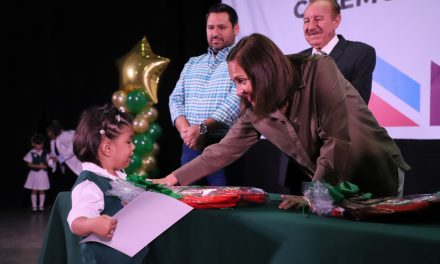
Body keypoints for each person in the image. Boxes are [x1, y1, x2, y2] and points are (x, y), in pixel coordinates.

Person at [152, 33, 410, 210]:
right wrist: (173, 178)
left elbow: (336, 139)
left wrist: (311, 196)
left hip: (374, 172)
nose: (238, 91)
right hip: (330, 188)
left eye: (241, 81)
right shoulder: (254, 107)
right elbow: (221, 151)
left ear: (263, 72)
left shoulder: (319, 69)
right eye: (235, 83)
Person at [168, 3, 241, 186]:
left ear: (236, 29)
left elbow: (235, 102)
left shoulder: (242, 60)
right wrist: (187, 132)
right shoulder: (193, 63)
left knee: (224, 205)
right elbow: (175, 99)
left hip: (222, 145)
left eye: (221, 27)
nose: (215, 33)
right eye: (211, 27)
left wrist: (200, 129)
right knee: (187, 203)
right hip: (190, 145)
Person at [67, 104, 149, 263]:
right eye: (128, 141)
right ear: (107, 148)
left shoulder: (117, 176)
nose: (133, 146)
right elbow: (76, 221)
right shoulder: (91, 184)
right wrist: (92, 223)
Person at [301, 0, 375, 104]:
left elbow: (356, 106)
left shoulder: (360, 53)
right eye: (306, 21)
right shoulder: (295, 61)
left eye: (318, 19)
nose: (311, 27)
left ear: (336, 21)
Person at [46, 120, 82, 191]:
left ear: (54, 130)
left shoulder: (65, 135)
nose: (48, 134)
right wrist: (50, 159)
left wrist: (58, 158)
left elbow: (73, 149)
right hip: (65, 168)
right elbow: (53, 155)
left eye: (49, 131)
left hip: (74, 167)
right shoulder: (53, 142)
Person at [23, 134, 51, 211]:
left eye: (41, 144)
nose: (39, 146)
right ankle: (34, 206)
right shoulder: (31, 153)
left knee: (42, 189)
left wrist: (48, 164)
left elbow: (49, 162)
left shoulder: (45, 153)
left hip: (43, 174)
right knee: (34, 189)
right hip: (34, 174)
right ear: (34, 144)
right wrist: (39, 166)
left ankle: (41, 206)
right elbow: (29, 164)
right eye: (38, 144)